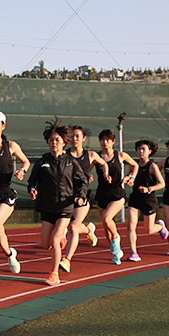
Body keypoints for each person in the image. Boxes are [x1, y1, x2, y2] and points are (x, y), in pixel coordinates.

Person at [27, 119, 89, 286]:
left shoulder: (70, 162)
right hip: (47, 207)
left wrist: (80, 196)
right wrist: (32, 189)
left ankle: (54, 274)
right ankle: (61, 239)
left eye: (57, 140)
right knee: (45, 245)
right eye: (51, 140)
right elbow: (32, 181)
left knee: (54, 240)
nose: (54, 142)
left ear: (64, 142)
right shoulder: (42, 162)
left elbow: (82, 181)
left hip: (65, 206)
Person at [0, 110, 30, 275]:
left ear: (3, 126)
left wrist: (22, 171)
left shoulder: (11, 146)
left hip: (5, 195)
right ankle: (10, 254)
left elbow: (25, 161)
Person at [60, 125, 111, 273]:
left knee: (73, 227)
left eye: (77, 136)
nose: (74, 139)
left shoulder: (91, 155)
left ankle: (67, 260)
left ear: (83, 138)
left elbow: (104, 163)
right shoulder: (63, 154)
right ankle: (89, 229)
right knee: (67, 226)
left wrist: (105, 174)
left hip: (82, 195)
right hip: (65, 195)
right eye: (72, 136)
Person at [93, 129, 139, 265]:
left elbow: (135, 165)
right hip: (102, 193)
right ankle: (116, 252)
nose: (104, 142)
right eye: (102, 140)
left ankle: (116, 238)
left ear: (113, 141)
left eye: (107, 140)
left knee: (107, 218)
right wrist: (87, 177)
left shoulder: (120, 155)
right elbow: (86, 170)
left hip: (117, 193)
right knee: (106, 226)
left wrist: (131, 177)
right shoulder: (97, 157)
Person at [125, 139, 169, 262]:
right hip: (135, 198)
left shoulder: (152, 166)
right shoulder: (134, 165)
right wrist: (128, 180)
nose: (140, 151)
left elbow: (162, 183)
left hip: (148, 199)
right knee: (131, 226)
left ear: (150, 151)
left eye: (143, 149)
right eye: (139, 149)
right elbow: (130, 176)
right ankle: (133, 252)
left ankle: (160, 227)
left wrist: (149, 189)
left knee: (148, 230)